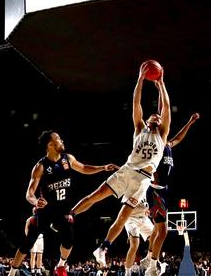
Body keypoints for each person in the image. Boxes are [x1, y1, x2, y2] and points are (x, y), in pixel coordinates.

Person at [70, 62, 171, 274]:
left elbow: (166, 107)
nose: (156, 115)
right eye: (153, 115)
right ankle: (69, 215)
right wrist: (140, 80)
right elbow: (136, 103)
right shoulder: (139, 128)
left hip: (142, 178)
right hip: (126, 170)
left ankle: (103, 249)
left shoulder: (161, 135)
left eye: (158, 116)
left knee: (124, 215)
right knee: (95, 195)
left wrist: (161, 84)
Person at [6, 131, 119, 276]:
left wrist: (102, 168)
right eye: (58, 139)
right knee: (29, 241)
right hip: (46, 211)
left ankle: (60, 265)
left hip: (63, 210)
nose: (62, 140)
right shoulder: (40, 166)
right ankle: (12, 271)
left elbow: (84, 168)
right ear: (50, 145)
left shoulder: (68, 159)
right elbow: (29, 193)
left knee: (69, 240)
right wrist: (36, 201)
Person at [140, 112, 200, 272]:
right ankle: (152, 266)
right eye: (156, 119)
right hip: (155, 191)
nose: (160, 121)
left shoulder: (167, 144)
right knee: (163, 230)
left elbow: (178, 138)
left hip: (164, 191)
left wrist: (190, 122)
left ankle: (148, 257)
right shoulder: (153, 143)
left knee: (157, 229)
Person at [124, 201, 154, 276]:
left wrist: (148, 209)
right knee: (134, 245)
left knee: (156, 238)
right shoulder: (128, 190)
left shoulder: (147, 190)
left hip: (144, 217)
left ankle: (148, 258)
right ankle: (127, 272)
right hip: (131, 217)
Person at [26, 209, 44, 275]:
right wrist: (28, 238)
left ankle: (38, 270)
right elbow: (26, 229)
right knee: (33, 255)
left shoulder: (41, 218)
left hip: (40, 238)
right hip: (33, 238)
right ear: (33, 211)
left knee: (40, 255)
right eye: (34, 210)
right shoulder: (29, 219)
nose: (35, 211)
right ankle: (32, 270)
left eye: (36, 210)